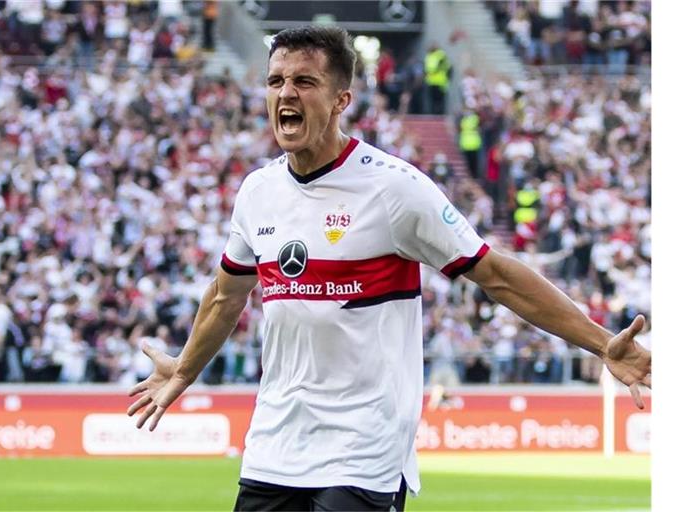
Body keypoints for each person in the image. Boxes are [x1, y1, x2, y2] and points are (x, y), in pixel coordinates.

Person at [127, 26, 651, 511]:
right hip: (274, 445)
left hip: (365, 449)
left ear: (340, 100)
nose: (285, 93)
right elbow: (226, 295)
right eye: (276, 81)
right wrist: (186, 367)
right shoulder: (257, 192)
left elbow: (496, 275)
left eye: (304, 82)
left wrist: (602, 342)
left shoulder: (395, 189)